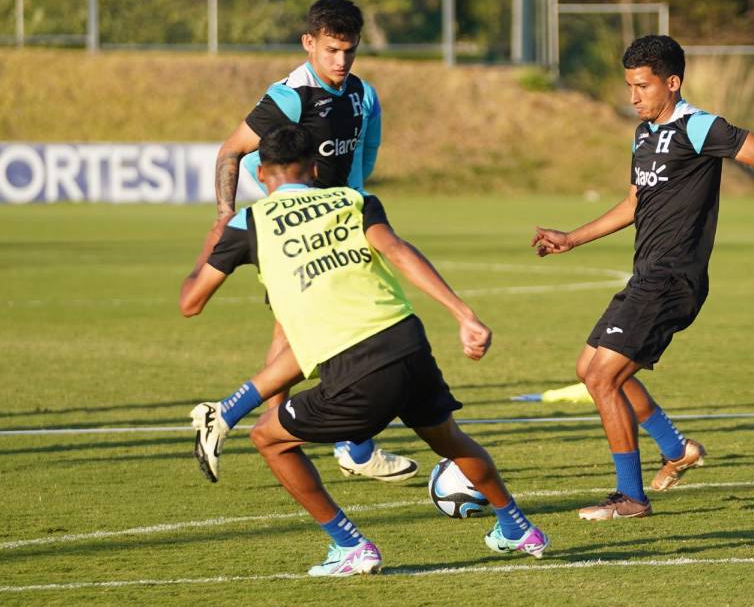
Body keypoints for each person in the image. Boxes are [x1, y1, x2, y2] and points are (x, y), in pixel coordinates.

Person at [181, 124, 549, 576]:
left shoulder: (248, 223)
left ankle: (350, 546)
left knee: (269, 439)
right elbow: (398, 251)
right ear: (315, 170)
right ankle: (517, 528)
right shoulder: (353, 200)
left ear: (260, 174)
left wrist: (210, 245)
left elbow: (190, 303)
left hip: (356, 369)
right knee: (450, 439)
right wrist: (463, 314)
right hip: (408, 343)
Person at [533, 35, 754, 519]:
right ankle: (677, 450)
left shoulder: (697, 126)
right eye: (629, 86)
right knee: (589, 369)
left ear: (672, 82)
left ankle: (631, 497)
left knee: (603, 378)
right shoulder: (643, 135)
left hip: (673, 278)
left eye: (643, 86)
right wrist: (572, 238)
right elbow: (635, 204)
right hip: (647, 276)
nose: (633, 96)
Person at [201, 0, 415, 483]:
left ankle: (274, 433)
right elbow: (231, 152)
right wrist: (225, 214)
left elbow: (362, 161)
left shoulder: (364, 95)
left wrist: (352, 212)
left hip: (340, 228)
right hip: (296, 233)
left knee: (298, 336)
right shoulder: (290, 97)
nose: (341, 61)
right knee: (345, 332)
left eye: (349, 50)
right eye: (331, 50)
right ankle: (338, 444)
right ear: (308, 43)